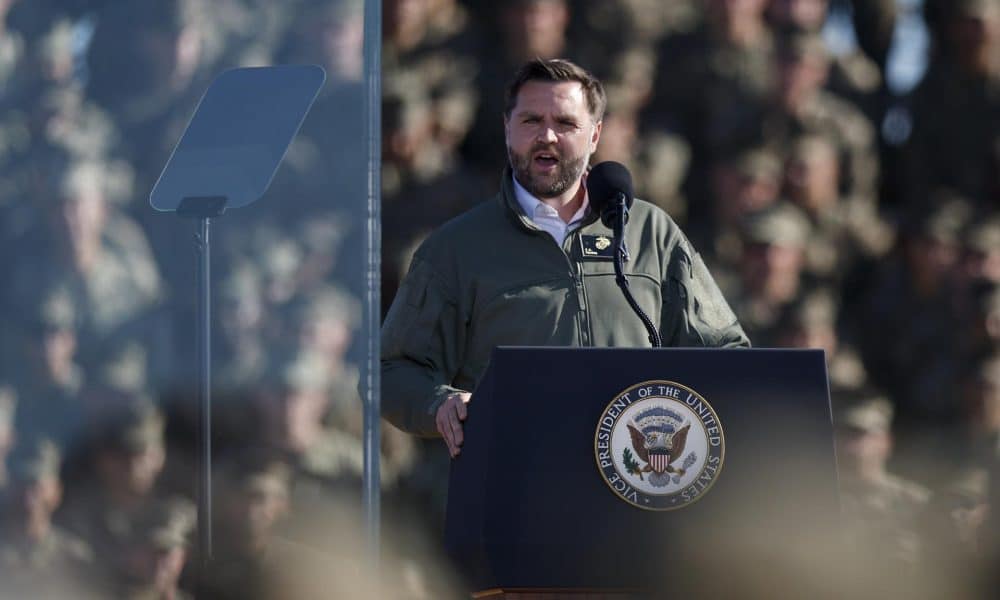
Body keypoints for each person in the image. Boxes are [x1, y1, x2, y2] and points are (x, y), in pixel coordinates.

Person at [381, 58, 749, 458]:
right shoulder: (457, 247)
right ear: (507, 128)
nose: (547, 136)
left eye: (565, 123)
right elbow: (391, 371)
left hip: (639, 478)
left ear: (595, 135)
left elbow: (725, 352)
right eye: (531, 121)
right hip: (516, 479)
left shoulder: (649, 232)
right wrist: (440, 404)